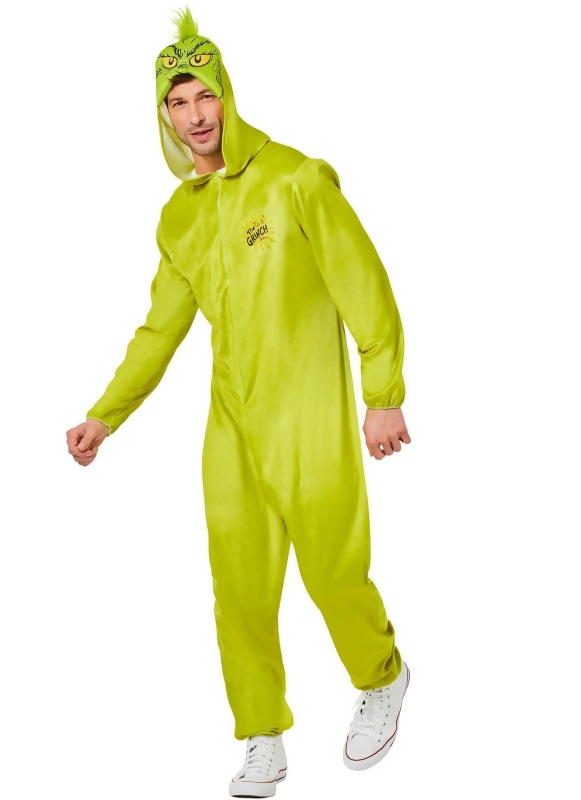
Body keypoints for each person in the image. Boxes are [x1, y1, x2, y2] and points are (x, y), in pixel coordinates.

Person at [66, 8, 412, 797]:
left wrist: (383, 394)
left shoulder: (295, 178)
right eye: (177, 103)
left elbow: (364, 283)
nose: (195, 116)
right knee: (239, 588)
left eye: (205, 96)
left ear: (227, 94)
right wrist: (105, 414)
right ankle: (262, 736)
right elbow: (160, 329)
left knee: (331, 568)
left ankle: (383, 674)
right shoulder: (180, 216)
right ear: (162, 115)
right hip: (232, 424)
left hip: (309, 414)